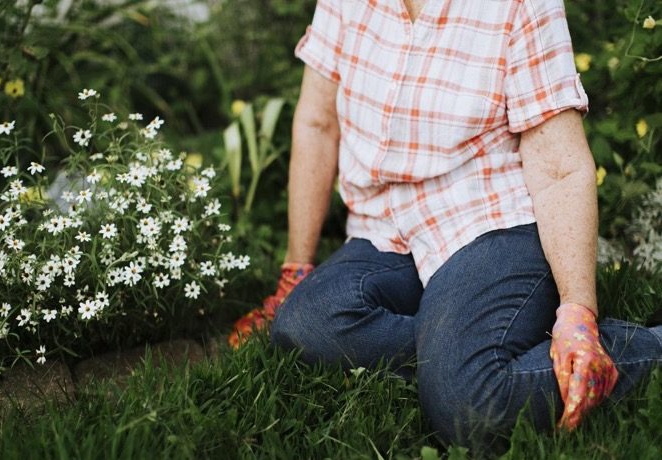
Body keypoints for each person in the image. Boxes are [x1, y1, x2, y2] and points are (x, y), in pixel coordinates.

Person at [228, 0, 662, 449]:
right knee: (304, 326)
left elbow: (558, 166)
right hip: (384, 232)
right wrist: (295, 270)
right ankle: (465, 351)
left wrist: (577, 311)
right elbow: (318, 123)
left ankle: (645, 349)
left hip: (487, 223)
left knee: (471, 411)